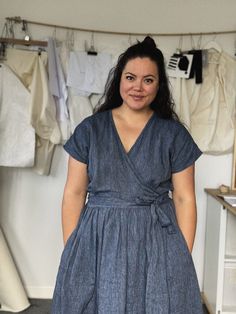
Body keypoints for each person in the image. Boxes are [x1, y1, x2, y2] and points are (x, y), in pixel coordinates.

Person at [52, 36, 203, 314]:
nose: (138, 87)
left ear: (159, 85)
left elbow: (184, 198)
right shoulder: (90, 130)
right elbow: (73, 193)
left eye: (148, 80)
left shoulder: (173, 135)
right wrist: (74, 248)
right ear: (119, 79)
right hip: (99, 238)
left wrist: (180, 255)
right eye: (131, 77)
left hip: (156, 239)